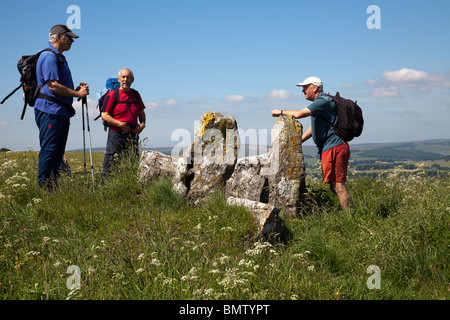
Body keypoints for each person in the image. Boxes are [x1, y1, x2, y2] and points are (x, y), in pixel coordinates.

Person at [271, 77, 353, 211]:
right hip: (330, 148)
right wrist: (298, 142)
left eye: (305, 87)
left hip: (335, 147)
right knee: (334, 186)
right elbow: (313, 128)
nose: (303, 90)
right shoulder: (321, 103)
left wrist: (280, 112)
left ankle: (351, 218)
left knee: (339, 186)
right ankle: (349, 211)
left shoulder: (323, 101)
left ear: (314, 87)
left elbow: (298, 114)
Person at [35, 24, 89, 189]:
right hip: (50, 110)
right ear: (58, 37)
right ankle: (45, 187)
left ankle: (52, 185)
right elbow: (53, 86)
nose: (72, 41)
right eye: (69, 37)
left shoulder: (58, 57)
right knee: (50, 149)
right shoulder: (50, 56)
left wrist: (76, 91)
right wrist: (77, 94)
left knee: (57, 151)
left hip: (59, 111)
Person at [101, 68, 146, 177]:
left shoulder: (135, 94)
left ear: (132, 80)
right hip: (116, 134)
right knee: (110, 163)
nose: (126, 80)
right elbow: (104, 115)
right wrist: (120, 124)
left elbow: (141, 112)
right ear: (118, 79)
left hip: (133, 134)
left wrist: (142, 125)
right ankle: (104, 188)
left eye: (128, 77)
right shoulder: (112, 95)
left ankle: (130, 188)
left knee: (132, 163)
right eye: (123, 77)